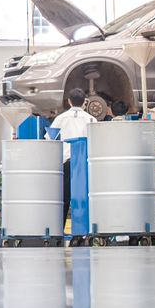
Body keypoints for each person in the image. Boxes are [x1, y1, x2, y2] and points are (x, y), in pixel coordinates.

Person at [50, 88, 96, 233]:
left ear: (69, 101)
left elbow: (50, 139)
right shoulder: (90, 119)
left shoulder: (60, 119)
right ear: (84, 102)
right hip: (85, 164)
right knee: (85, 199)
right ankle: (85, 231)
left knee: (63, 199)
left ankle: (58, 231)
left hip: (66, 164)